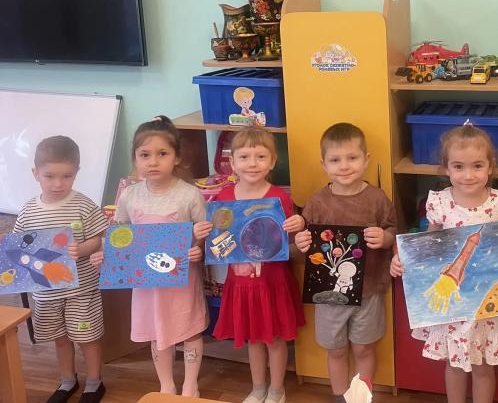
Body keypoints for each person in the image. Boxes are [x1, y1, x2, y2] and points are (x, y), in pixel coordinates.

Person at [390, 124, 498, 403]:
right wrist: (402, 260)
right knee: (454, 363)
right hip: (454, 305)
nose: (468, 175)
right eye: (458, 166)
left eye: (477, 166)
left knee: (483, 365)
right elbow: (428, 246)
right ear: (446, 168)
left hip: (487, 306)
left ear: (490, 166)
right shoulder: (440, 203)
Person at [91, 116, 210, 397]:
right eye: (145, 155)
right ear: (135, 158)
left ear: (176, 157)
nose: (153, 162)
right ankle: (166, 384)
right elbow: (121, 235)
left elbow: (205, 235)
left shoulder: (190, 195)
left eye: (162, 154)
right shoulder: (129, 196)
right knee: (157, 331)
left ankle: (190, 384)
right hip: (146, 283)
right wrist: (106, 255)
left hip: (182, 281)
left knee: (189, 329)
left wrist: (198, 247)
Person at [200, 129, 305, 403]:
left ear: (272, 162)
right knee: (254, 339)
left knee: (275, 339)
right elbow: (218, 241)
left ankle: (277, 389)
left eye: (260, 156)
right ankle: (258, 387)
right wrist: (204, 232)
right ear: (232, 163)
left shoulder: (279, 198)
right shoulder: (223, 197)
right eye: (244, 157)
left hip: (272, 282)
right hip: (241, 284)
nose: (252, 163)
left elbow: (289, 244)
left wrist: (297, 225)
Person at [294, 123, 396, 403]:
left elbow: (393, 233)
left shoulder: (377, 199)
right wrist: (302, 242)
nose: (344, 166)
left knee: (364, 348)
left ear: (366, 159)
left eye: (352, 158)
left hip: (369, 291)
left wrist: (385, 238)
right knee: (336, 350)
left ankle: (362, 398)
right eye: (335, 160)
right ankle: (341, 396)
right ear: (324, 164)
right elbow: (304, 246)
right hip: (330, 296)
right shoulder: (317, 202)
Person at [13, 136, 109, 403]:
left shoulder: (83, 205)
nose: (58, 184)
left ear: (77, 171)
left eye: (67, 176)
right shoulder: (28, 211)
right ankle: (67, 380)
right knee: (60, 338)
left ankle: (94, 382)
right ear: (36, 173)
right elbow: (18, 246)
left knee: (87, 337)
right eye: (50, 176)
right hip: (46, 292)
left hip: (82, 290)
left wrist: (84, 248)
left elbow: (100, 237)